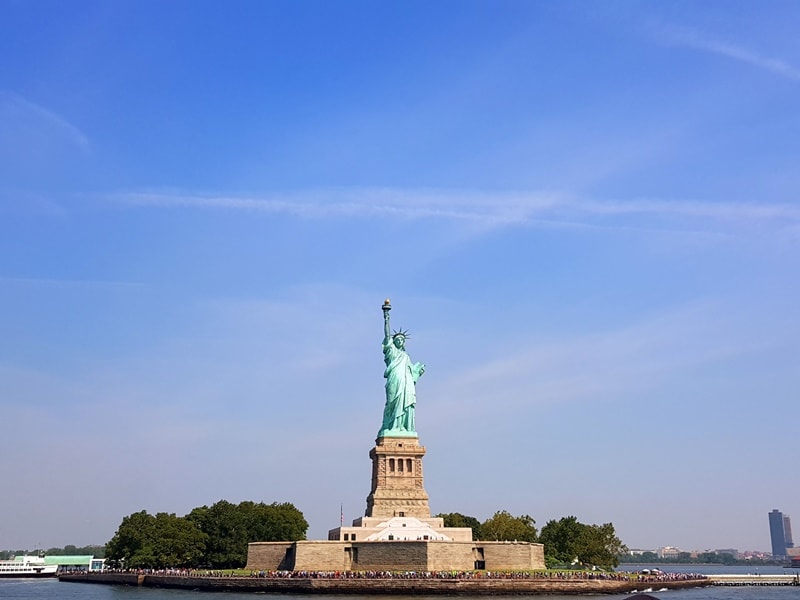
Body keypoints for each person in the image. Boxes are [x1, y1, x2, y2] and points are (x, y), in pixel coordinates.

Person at [379, 301, 424, 436]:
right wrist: (386, 317)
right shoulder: (391, 351)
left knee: (406, 403)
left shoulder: (406, 356)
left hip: (406, 384)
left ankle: (404, 428)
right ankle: (392, 426)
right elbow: (387, 336)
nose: (399, 341)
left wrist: (418, 372)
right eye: (397, 339)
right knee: (392, 402)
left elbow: (412, 373)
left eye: (401, 340)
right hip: (394, 380)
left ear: (404, 342)